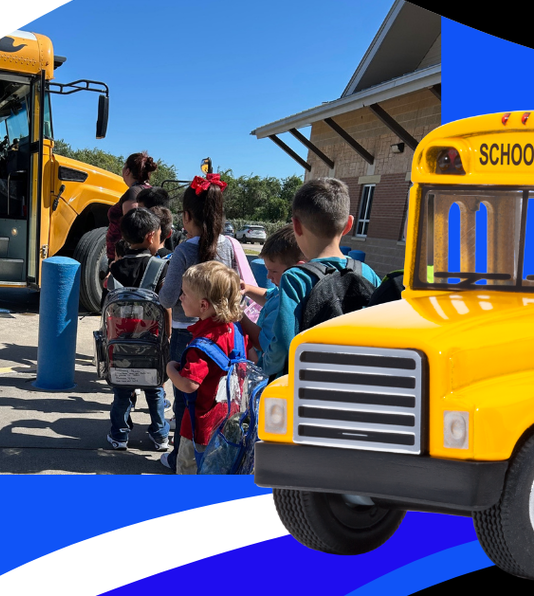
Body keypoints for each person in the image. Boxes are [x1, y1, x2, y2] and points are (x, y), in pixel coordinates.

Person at [157, 173, 238, 469]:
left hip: (184, 334)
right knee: (213, 398)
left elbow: (167, 298)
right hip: (221, 332)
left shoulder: (183, 250)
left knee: (185, 402)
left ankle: (182, 456)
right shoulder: (227, 246)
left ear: (187, 216)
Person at [263, 178, 382, 379]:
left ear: (296, 226)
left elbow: (284, 341)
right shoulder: (367, 272)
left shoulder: (295, 278)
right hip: (356, 379)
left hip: (306, 386)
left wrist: (265, 365)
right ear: (349, 225)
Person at [164, 260, 242, 474]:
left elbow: (189, 384)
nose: (180, 297)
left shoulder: (202, 345)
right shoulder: (233, 331)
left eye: (185, 294)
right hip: (228, 420)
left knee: (189, 470)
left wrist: (171, 370)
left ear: (203, 305)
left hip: (200, 426)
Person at [105, 208, 171, 452]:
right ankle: (160, 435)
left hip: (120, 341)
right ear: (151, 236)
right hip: (151, 341)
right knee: (154, 390)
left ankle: (119, 435)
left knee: (122, 390)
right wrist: (169, 336)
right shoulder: (159, 266)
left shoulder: (115, 269)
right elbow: (166, 306)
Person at [238, 225, 299, 378]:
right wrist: (247, 289)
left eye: (274, 271)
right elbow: (270, 296)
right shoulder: (285, 291)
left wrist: (239, 316)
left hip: (267, 375)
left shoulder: (284, 308)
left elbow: (261, 342)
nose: (268, 277)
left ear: (297, 270)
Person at [105, 151, 159, 263]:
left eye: (124, 166)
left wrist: (120, 260)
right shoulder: (149, 190)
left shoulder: (134, 193)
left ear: (127, 171)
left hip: (124, 259)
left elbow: (133, 229)